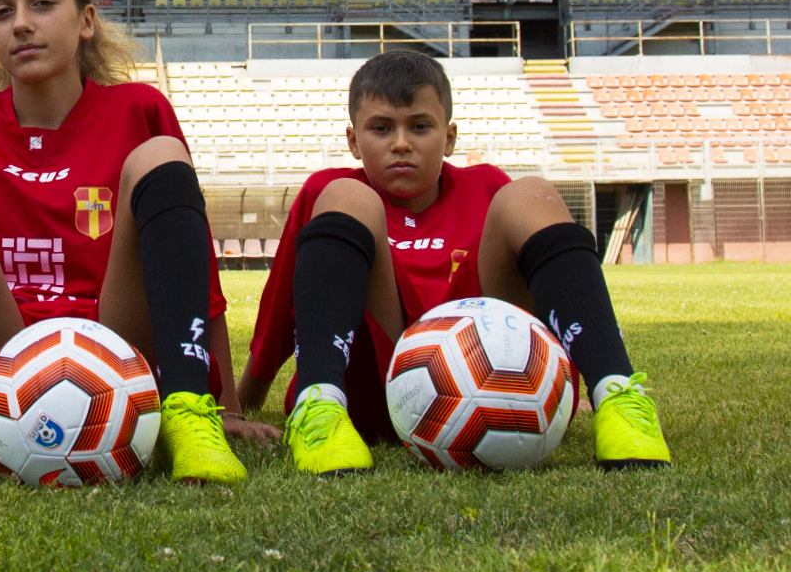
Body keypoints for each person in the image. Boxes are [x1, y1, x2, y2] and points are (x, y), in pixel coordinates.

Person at [0, 0, 271, 491]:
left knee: (161, 156)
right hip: (3, 347)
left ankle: (189, 414)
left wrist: (228, 405)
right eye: (1, 10)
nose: (20, 22)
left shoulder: (137, 107)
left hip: (115, 338)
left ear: (85, 20)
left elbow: (195, 277)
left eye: (42, 3)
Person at [240, 50, 672, 476]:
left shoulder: (484, 189)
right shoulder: (332, 195)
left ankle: (616, 395)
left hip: (489, 376)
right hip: (370, 395)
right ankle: (320, 406)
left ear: (449, 137)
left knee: (529, 193)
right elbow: (281, 310)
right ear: (353, 141)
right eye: (381, 128)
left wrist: (565, 380)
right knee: (340, 194)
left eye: (420, 126)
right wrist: (243, 402)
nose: (401, 143)